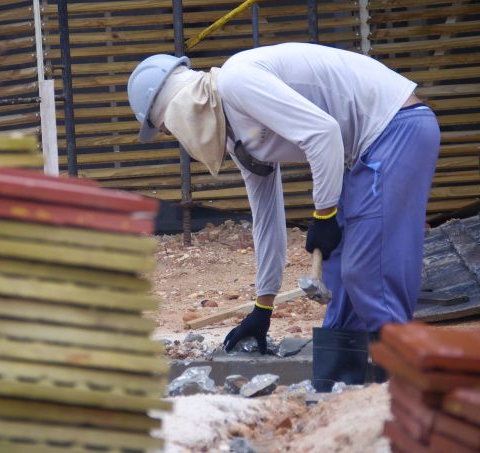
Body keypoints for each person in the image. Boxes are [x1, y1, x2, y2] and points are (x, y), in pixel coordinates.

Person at [127, 43, 440, 391]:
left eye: (168, 129)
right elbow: (266, 218)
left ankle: (408, 390)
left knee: (368, 272)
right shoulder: (238, 138)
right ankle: (337, 392)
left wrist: (325, 214)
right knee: (337, 275)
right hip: (368, 150)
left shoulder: (237, 81)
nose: (174, 137)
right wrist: (263, 306)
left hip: (396, 129)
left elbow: (323, 134)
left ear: (178, 109)